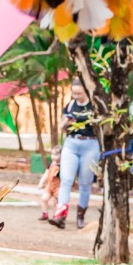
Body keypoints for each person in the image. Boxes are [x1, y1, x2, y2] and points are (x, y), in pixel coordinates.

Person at [47, 81, 99, 229]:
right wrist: (67, 123)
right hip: (71, 143)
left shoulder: (94, 106)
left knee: (85, 183)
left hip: (90, 144)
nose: (76, 96)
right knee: (66, 180)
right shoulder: (70, 106)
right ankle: (60, 216)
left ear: (86, 91)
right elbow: (62, 126)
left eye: (79, 93)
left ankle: (80, 216)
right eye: (74, 93)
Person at [37, 146, 63, 220]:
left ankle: (56, 215)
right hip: (49, 186)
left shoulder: (62, 166)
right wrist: (41, 182)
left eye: (56, 154)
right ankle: (45, 214)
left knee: (56, 202)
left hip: (58, 187)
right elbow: (46, 174)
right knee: (44, 199)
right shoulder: (50, 165)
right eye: (52, 154)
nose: (53, 156)